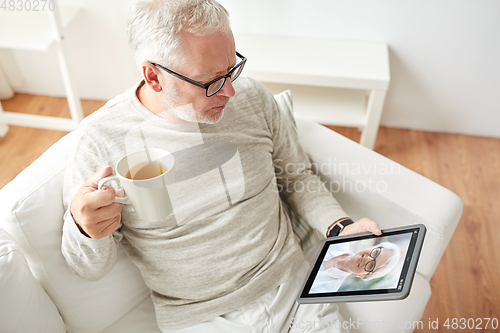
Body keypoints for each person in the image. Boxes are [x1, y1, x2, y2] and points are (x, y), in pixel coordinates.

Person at [61, 0, 382, 332]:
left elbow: (296, 176)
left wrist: (340, 228)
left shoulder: (251, 97)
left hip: (292, 288)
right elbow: (88, 268)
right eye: (212, 80)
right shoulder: (101, 141)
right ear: (153, 76)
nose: (230, 90)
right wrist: (84, 228)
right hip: (202, 318)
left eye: (231, 69)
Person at [310, 242, 401, 294]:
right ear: (373, 247)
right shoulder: (339, 241)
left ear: (361, 276)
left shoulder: (327, 289)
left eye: (371, 265)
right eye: (376, 252)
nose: (368, 258)